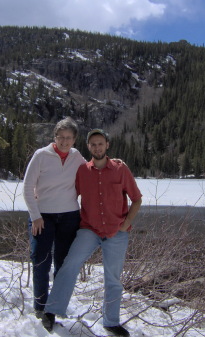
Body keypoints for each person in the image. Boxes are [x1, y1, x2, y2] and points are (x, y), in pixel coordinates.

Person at [42, 129, 142, 337]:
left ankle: (111, 322)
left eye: (100, 143)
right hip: (89, 229)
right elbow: (66, 192)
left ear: (107, 145)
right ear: (88, 147)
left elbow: (137, 198)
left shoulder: (120, 169)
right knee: (70, 265)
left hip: (116, 231)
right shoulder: (82, 171)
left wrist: (127, 223)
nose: (97, 147)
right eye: (93, 144)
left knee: (113, 278)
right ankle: (51, 311)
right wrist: (42, 196)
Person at [23, 117, 86, 318]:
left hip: (69, 216)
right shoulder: (41, 155)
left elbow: (93, 172)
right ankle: (41, 307)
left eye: (69, 138)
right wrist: (35, 216)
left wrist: (114, 163)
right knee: (41, 260)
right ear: (55, 137)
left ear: (75, 139)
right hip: (43, 217)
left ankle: (57, 306)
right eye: (61, 137)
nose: (64, 141)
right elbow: (26, 187)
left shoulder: (77, 157)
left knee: (63, 262)